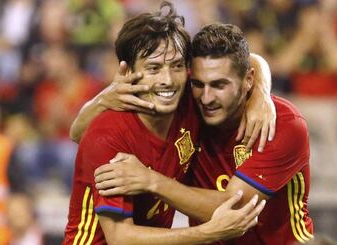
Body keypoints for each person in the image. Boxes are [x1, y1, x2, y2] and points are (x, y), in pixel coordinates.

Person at [63, 2, 266, 245]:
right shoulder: (110, 134)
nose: (167, 80)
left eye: (177, 66)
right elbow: (121, 238)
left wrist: (261, 94)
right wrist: (208, 232)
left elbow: (243, 61)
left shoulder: (190, 98)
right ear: (127, 73)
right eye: (153, 68)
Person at [93, 23, 314, 245]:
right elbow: (82, 133)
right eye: (198, 84)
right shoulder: (187, 105)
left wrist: (150, 181)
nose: (206, 98)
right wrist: (102, 100)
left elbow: (235, 207)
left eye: (219, 85)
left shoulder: (282, 125)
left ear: (249, 80)